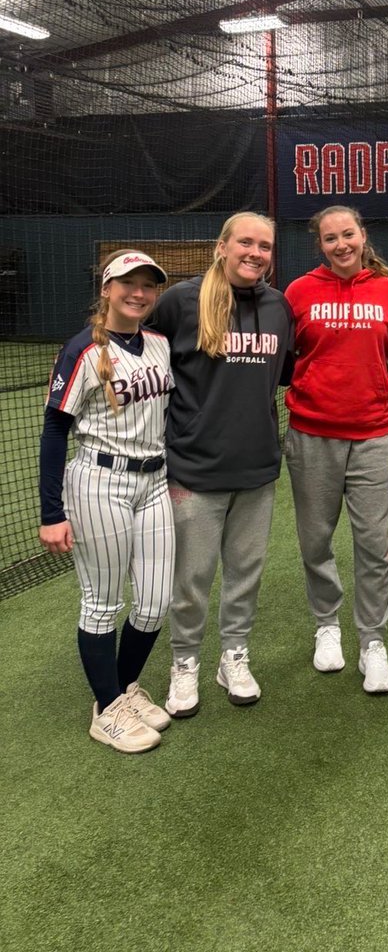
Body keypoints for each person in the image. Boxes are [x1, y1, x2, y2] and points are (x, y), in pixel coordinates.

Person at [149, 212, 293, 718]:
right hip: (193, 472)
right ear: (222, 246)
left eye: (265, 246)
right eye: (246, 243)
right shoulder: (179, 302)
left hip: (256, 470)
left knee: (245, 574)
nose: (256, 253)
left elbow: (283, 376)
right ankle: (184, 662)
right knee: (191, 579)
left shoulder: (278, 307)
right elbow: (140, 358)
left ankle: (233, 656)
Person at [38, 250, 174, 753]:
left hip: (155, 482)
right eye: (127, 284)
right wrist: (52, 514)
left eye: (147, 285)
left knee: (157, 599)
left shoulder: (159, 344)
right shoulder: (82, 349)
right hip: (100, 483)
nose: (138, 293)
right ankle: (108, 708)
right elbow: (55, 431)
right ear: (106, 289)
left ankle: (123, 688)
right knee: (102, 602)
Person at [283, 207, 388, 694]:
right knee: (316, 541)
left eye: (349, 234)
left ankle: (373, 642)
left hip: (374, 435)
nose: (341, 244)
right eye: (331, 237)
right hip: (311, 435)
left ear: (363, 235)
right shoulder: (298, 292)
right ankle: (327, 627)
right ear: (320, 243)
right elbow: (284, 357)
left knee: (374, 545)